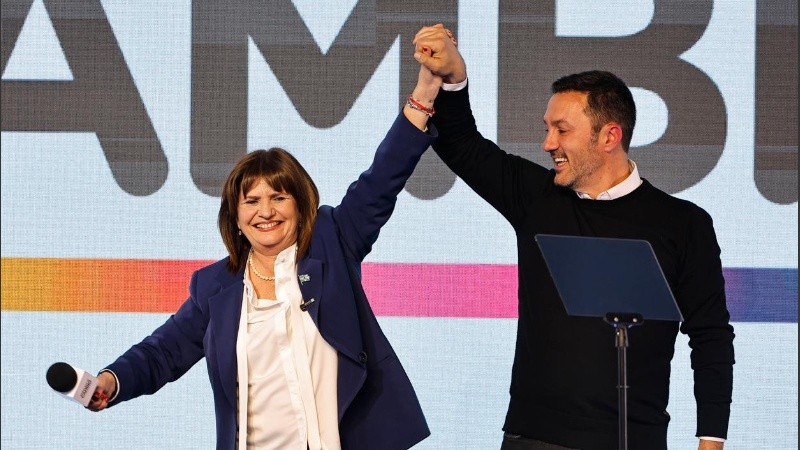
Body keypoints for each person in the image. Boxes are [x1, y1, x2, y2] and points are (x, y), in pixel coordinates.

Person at [84, 59, 444, 450]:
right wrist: (110, 381)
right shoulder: (215, 288)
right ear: (236, 218)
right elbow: (162, 352)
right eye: (251, 201)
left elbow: (380, 181)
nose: (266, 212)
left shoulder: (332, 242)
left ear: (300, 205)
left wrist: (424, 93)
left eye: (278, 197)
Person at [411, 24, 735, 450]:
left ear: (609, 136)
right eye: (548, 128)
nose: (547, 143)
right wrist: (454, 78)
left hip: (632, 440)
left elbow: (710, 335)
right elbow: (460, 144)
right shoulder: (536, 198)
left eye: (561, 130)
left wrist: (711, 440)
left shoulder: (684, 224)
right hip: (532, 438)